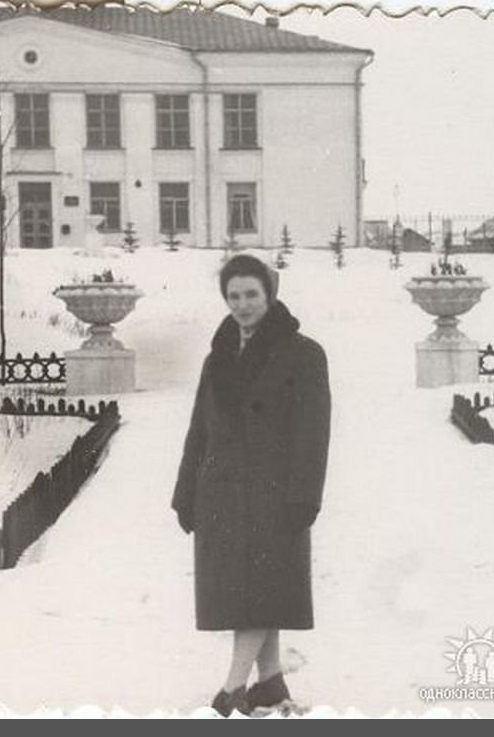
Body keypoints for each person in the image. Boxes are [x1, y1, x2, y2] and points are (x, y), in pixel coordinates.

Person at [171, 253, 331, 717]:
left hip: (275, 496)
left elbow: (313, 432)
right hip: (220, 494)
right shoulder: (216, 357)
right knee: (252, 590)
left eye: (251, 295)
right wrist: (186, 492)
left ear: (270, 294)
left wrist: (304, 496)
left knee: (259, 590)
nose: (242, 305)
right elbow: (199, 429)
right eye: (233, 295)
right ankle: (271, 683)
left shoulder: (304, 354)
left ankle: (231, 690)